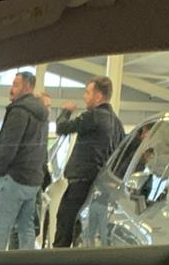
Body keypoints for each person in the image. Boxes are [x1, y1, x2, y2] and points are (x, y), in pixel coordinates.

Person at [51, 76, 125, 247]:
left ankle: (57, 262)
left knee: (65, 226)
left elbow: (62, 128)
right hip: (101, 188)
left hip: (80, 184)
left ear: (98, 96)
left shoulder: (93, 116)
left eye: (87, 92)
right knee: (84, 232)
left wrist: (66, 111)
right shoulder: (117, 124)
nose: (84, 97)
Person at [0, 71, 48, 251]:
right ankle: (28, 264)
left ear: (27, 87)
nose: (11, 89)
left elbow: (8, 146)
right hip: (32, 180)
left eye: (15, 85)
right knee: (26, 227)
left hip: (13, 179)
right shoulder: (42, 113)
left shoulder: (19, 111)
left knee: (2, 226)